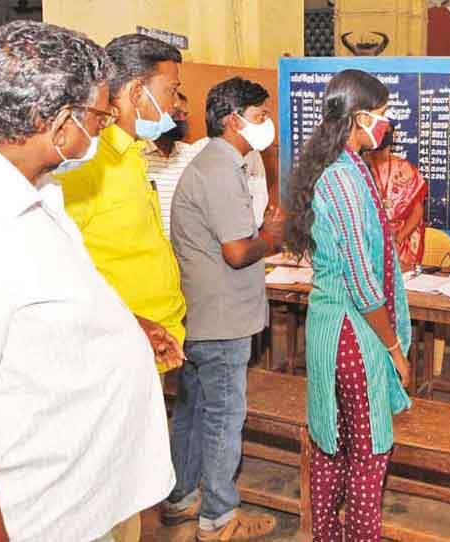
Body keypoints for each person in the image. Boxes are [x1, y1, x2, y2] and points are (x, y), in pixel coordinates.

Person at [0, 21, 174, 542]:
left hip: (82, 499)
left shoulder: (35, 190)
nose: (102, 129)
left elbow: (37, 304)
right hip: (35, 520)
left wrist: (122, 324)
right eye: (98, 116)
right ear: (56, 122)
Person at [284, 69, 412, 542]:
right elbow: (362, 283)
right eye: (381, 114)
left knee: (333, 445)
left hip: (335, 328)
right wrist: (396, 350)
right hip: (352, 334)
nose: (387, 122)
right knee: (368, 453)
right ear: (359, 118)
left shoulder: (344, 166)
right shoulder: (343, 179)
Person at [163, 76, 283, 541]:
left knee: (194, 409)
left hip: (202, 313)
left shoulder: (215, 165)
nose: (266, 125)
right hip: (221, 319)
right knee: (223, 414)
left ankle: (181, 496)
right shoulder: (219, 169)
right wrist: (272, 236)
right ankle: (218, 517)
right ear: (233, 119)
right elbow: (237, 251)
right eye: (259, 117)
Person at [57, 34, 186, 378]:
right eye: (170, 90)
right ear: (136, 93)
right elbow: (60, 270)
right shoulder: (88, 165)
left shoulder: (133, 155)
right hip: (115, 348)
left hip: (152, 343)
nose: (175, 104)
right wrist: (130, 322)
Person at [363, 125, 427, 267]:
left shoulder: (406, 170)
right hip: (366, 242)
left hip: (400, 244)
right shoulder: (357, 166)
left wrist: (397, 240)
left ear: (394, 136)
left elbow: (417, 211)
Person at [145, 92, 208, 238]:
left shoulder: (191, 155)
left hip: (185, 249)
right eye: (176, 113)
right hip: (152, 249)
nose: (181, 120)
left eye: (185, 115)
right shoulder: (138, 155)